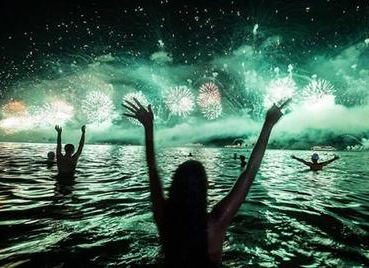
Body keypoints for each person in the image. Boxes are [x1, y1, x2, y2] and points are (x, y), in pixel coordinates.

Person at [123, 98, 289, 267]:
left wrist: (148, 127)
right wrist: (268, 124)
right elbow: (249, 173)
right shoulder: (216, 223)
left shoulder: (165, 219)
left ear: (174, 187)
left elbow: (152, 169)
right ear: (204, 188)